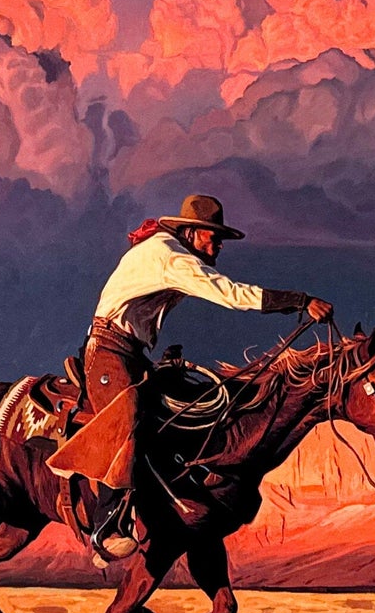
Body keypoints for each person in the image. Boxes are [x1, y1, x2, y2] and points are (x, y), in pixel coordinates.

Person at [49, 195, 333, 561]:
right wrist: (299, 300)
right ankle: (107, 524)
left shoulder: (170, 252)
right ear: (190, 232)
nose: (218, 246)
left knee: (185, 403)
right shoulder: (170, 256)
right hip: (108, 352)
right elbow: (229, 293)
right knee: (126, 415)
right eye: (213, 237)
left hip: (130, 352)